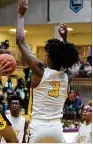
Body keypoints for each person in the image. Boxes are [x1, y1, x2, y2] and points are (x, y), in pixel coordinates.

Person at [16, 0, 80, 143]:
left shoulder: (40, 71)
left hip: (38, 127)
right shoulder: (67, 77)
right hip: (57, 129)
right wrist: (65, 41)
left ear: (48, 56)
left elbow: (20, 41)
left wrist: (20, 15)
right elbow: (76, 64)